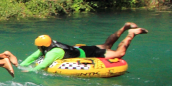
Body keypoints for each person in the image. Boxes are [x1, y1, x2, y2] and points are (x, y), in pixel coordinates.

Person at [20, 22, 148, 72]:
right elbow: (33, 56)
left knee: (119, 53)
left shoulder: (52, 53)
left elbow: (43, 64)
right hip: (83, 50)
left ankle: (131, 34)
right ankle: (124, 27)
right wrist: (22, 64)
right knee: (106, 45)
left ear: (42, 46)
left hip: (90, 54)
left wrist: (28, 70)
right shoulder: (50, 46)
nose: (38, 49)